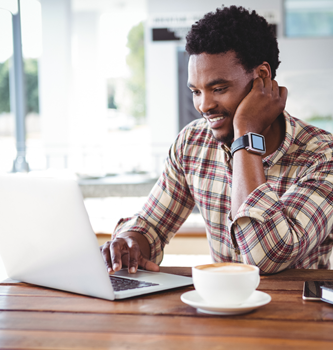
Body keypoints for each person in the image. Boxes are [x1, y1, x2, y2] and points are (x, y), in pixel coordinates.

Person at [101, 5, 333, 274]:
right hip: (217, 309)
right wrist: (129, 244)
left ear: (262, 77)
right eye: (196, 91)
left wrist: (246, 134)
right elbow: (152, 226)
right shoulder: (193, 142)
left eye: (219, 88)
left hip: (296, 313)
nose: (203, 105)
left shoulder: (322, 156)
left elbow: (265, 259)